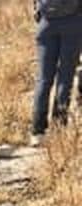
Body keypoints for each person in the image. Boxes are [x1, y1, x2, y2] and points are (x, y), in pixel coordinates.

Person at [30, 1, 82, 146]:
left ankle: (37, 131)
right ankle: (58, 130)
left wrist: (38, 12)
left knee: (43, 79)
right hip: (73, 22)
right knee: (65, 78)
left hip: (46, 23)